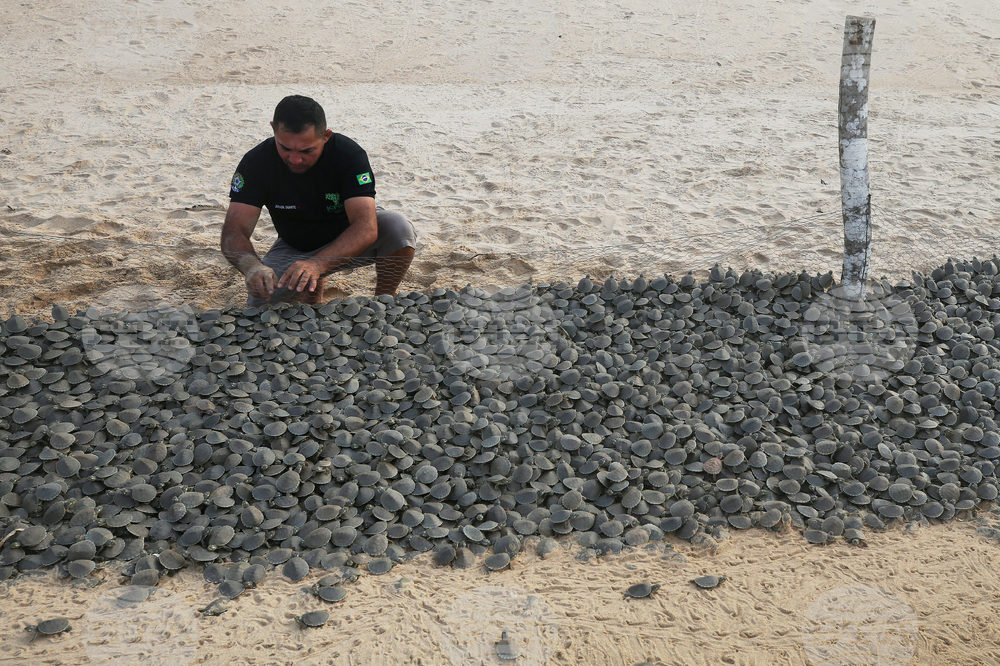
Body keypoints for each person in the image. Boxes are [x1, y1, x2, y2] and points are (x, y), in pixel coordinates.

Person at [221, 95, 416, 306]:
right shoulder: (256, 162)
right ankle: (313, 292)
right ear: (273, 129)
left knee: (398, 228)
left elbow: (366, 227)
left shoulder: (349, 155)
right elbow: (234, 231)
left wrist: (318, 264)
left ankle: (384, 301)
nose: (295, 159)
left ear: (326, 136)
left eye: (307, 150)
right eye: (285, 147)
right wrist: (252, 267)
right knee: (262, 305)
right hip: (296, 245)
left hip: (348, 237)